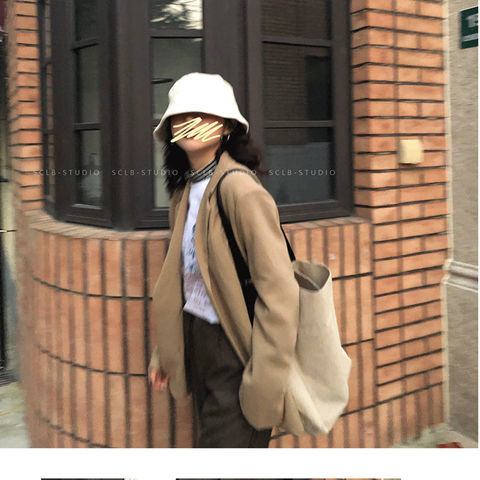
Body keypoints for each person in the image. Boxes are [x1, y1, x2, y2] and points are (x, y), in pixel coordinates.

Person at [148, 72, 300, 448]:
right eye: (181, 115)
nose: (189, 122)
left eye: (202, 114)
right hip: (198, 339)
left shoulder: (240, 189)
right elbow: (183, 278)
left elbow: (280, 293)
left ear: (227, 127)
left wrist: (265, 379)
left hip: (237, 349)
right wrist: (166, 351)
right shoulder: (184, 192)